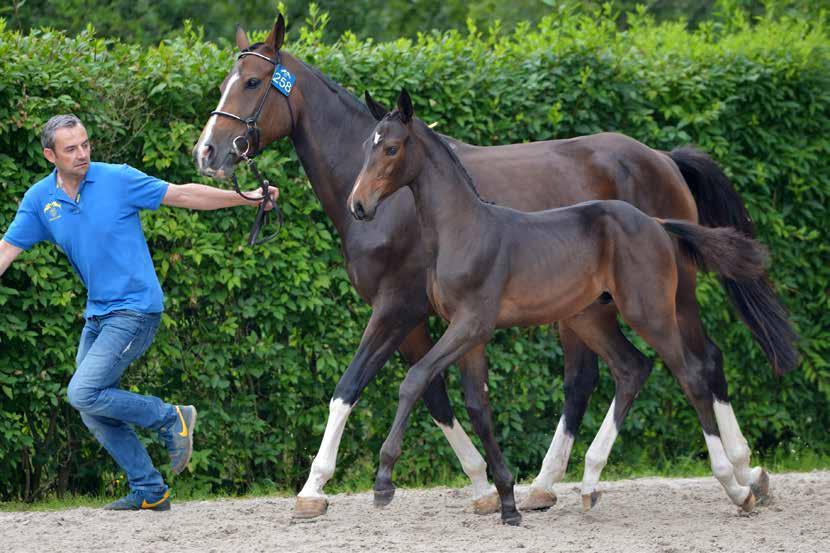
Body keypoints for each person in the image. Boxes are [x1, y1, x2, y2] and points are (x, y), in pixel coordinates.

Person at [0, 114, 278, 511]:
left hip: (135, 309)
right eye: (71, 149)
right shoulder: (41, 200)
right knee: (89, 405)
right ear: (50, 155)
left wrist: (247, 196)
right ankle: (149, 489)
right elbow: (6, 251)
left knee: (82, 391)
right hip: (98, 315)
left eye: (85, 144)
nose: (82, 154)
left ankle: (170, 419)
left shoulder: (117, 179)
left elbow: (183, 195)